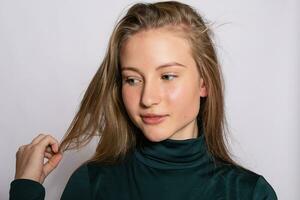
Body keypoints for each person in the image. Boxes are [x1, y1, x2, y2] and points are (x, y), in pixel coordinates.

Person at [9, 1, 278, 199]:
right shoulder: (92, 184)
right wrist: (25, 187)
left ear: (203, 83)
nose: (148, 98)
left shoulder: (249, 193)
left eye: (168, 76)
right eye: (132, 79)